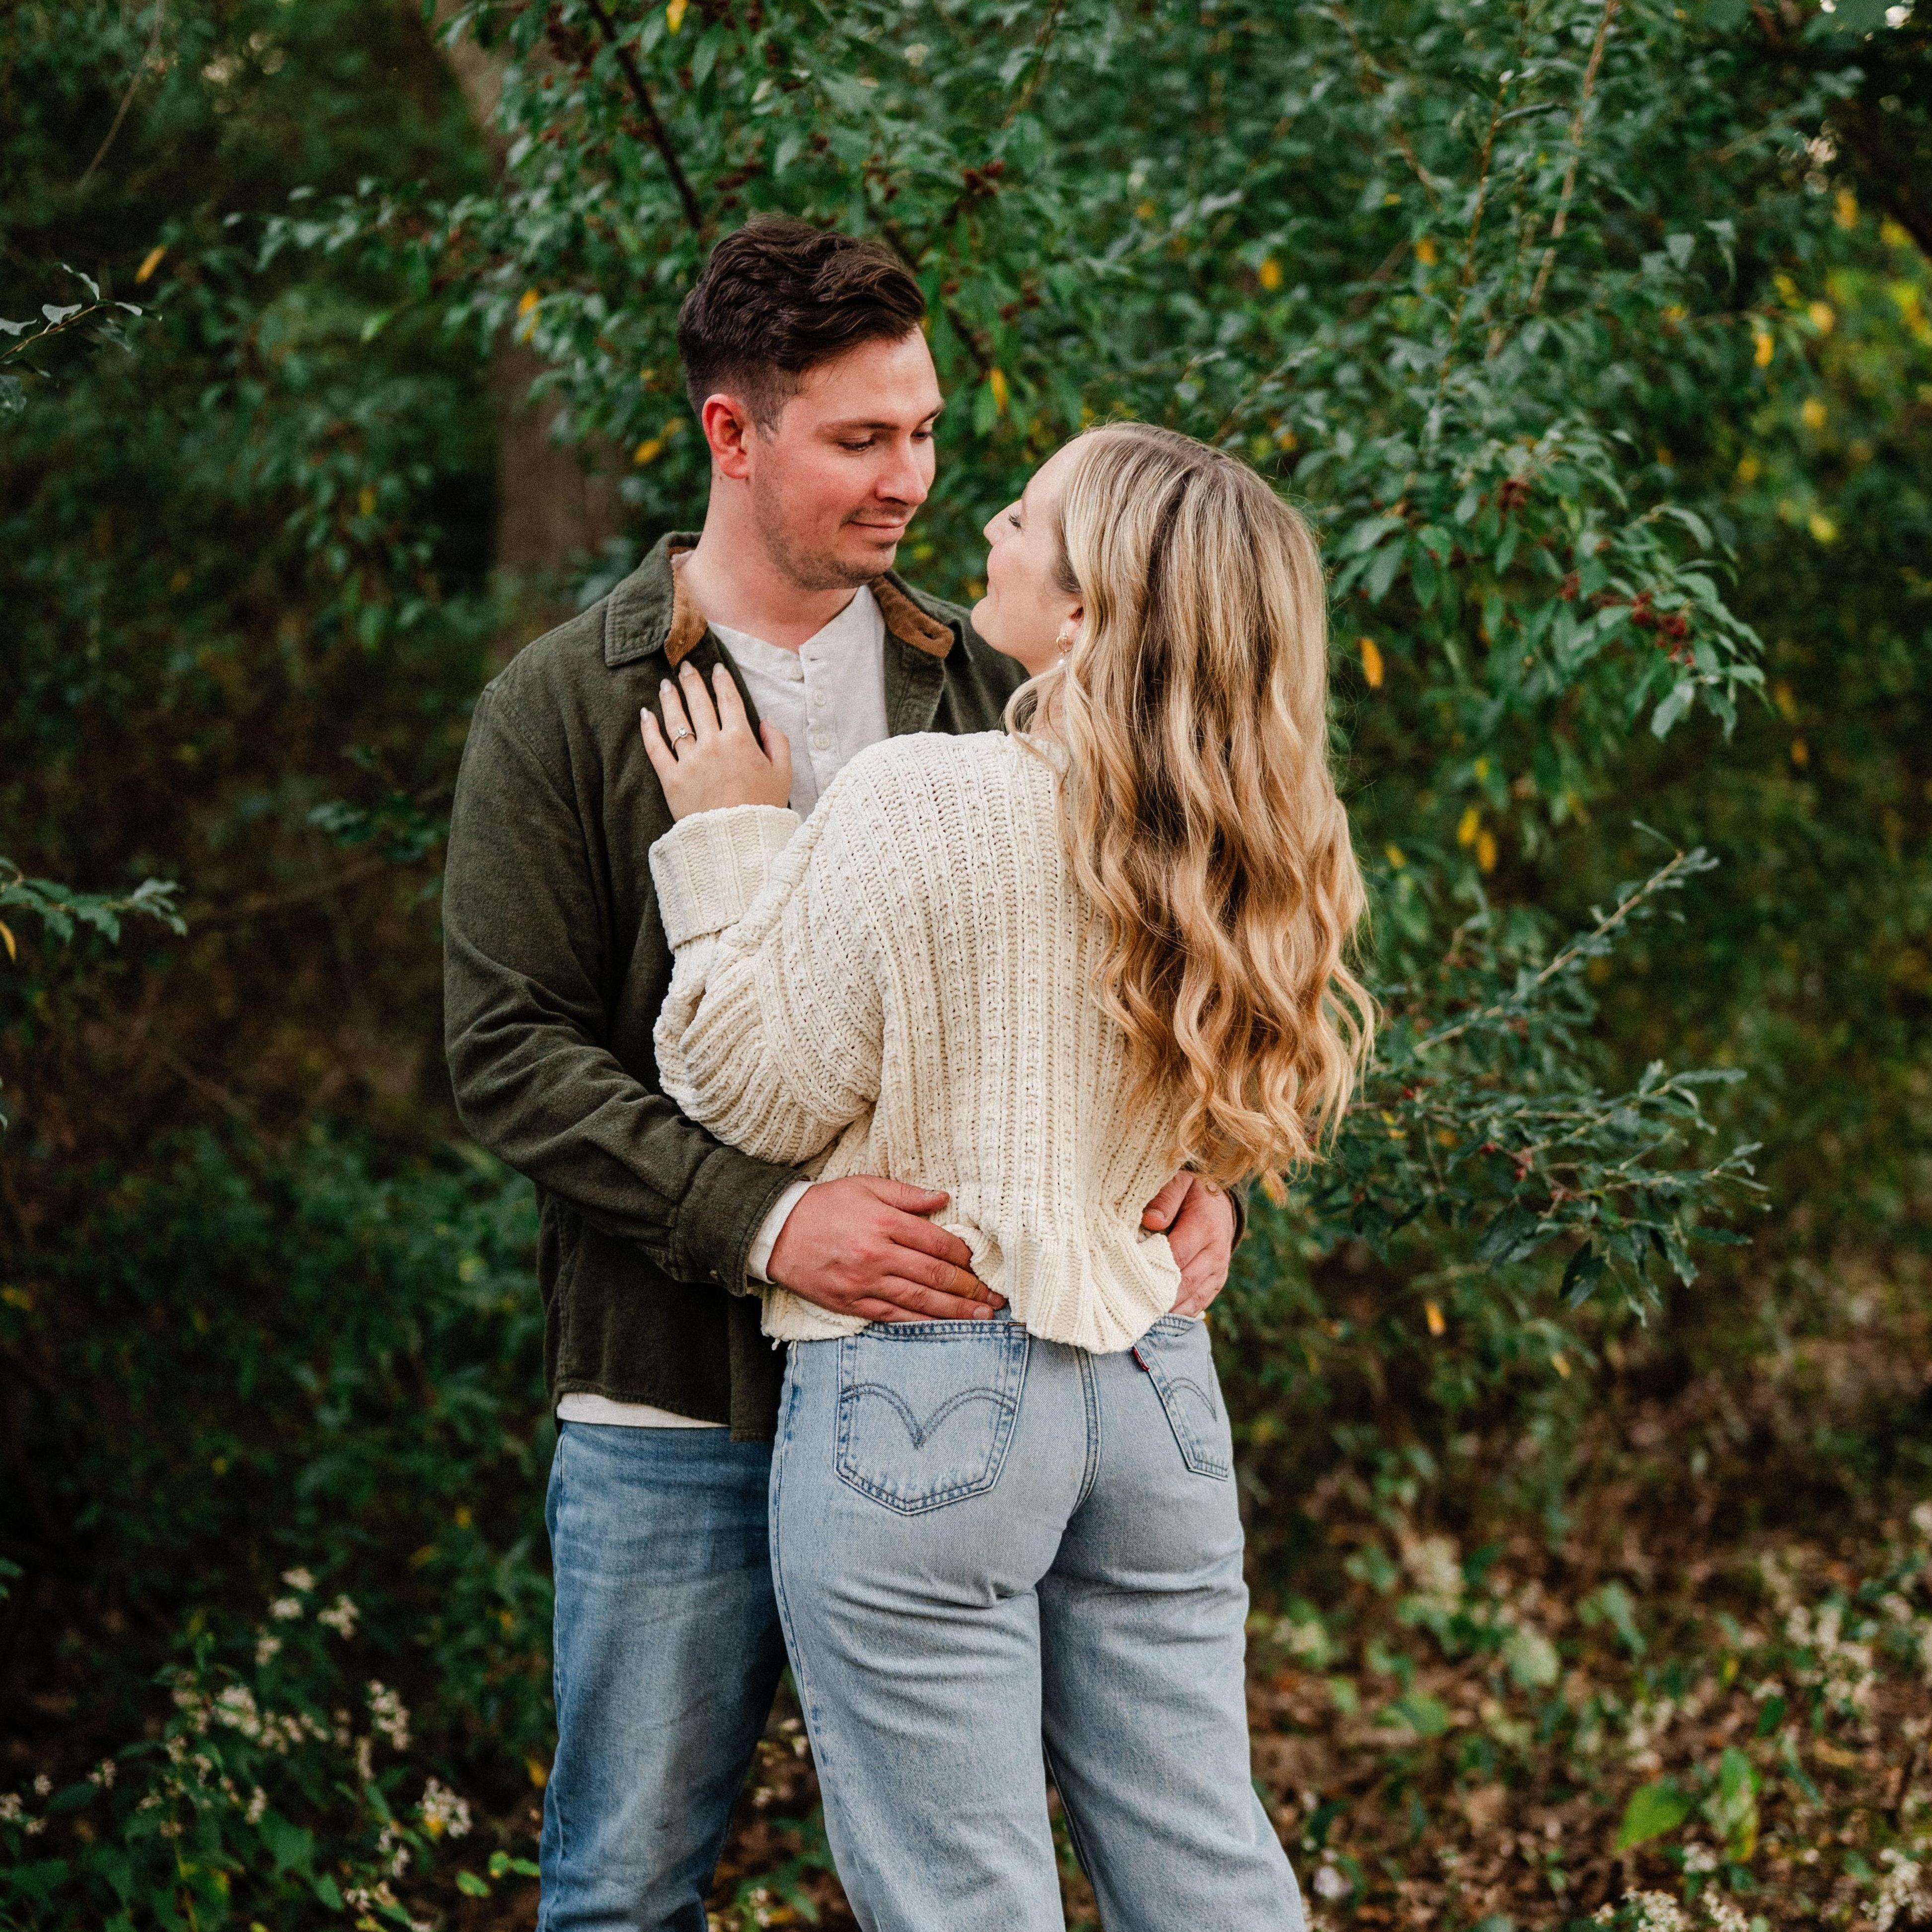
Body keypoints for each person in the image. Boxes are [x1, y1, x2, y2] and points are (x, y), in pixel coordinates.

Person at [442, 221, 1244, 1932]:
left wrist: (1194, 1175)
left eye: (927, 431)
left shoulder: (1000, 676)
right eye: (862, 438)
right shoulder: (564, 706)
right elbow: (507, 1055)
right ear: (732, 433)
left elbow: (1148, 964)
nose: (912, 480)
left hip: (985, 1378)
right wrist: (765, 1220)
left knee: (1018, 1871)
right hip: (675, 1403)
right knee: (624, 1884)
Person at [641, 421, 1374, 1931]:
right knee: (1206, 1871)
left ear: (1089, 612)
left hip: (924, 1391)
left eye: (1026, 518)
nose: (986, 527)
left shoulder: (925, 799)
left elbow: (746, 1091)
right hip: (1157, 1390)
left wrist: (728, 840)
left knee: (963, 1902)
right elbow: (1200, 1120)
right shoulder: (1243, 838)